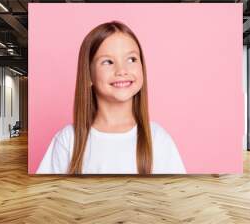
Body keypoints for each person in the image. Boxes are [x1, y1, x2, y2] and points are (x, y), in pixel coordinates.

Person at [37, 21, 185, 174]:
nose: (122, 70)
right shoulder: (68, 140)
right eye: (107, 62)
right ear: (88, 75)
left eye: (131, 59)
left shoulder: (158, 139)